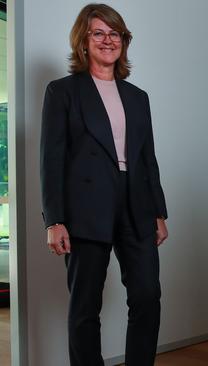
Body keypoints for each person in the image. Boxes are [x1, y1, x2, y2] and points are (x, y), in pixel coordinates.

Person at [40, 4, 168, 365]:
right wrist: (54, 219)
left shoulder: (138, 97)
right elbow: (51, 159)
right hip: (85, 206)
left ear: (124, 42)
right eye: (99, 33)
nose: (108, 40)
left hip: (136, 203)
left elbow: (147, 159)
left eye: (116, 34)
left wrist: (159, 211)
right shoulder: (62, 92)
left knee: (147, 295)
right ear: (83, 41)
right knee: (85, 306)